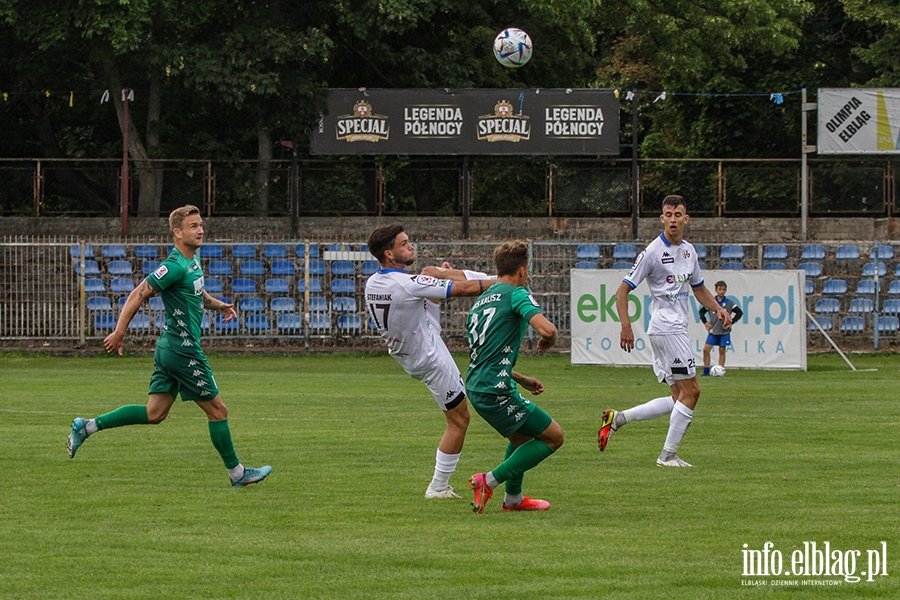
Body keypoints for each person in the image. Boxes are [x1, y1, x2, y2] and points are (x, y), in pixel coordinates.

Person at [66, 205, 272, 488]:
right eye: (193, 226)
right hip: (182, 349)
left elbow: (196, 293)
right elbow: (138, 293)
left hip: (169, 347)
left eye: (200, 225)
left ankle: (87, 426)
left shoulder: (192, 261)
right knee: (218, 410)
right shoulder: (173, 266)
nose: (200, 230)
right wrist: (119, 332)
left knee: (155, 413)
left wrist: (217, 304)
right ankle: (237, 473)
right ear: (177, 232)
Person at [598, 195, 731, 467]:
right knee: (692, 392)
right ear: (662, 219)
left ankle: (619, 418)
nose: (673, 219)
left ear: (686, 218)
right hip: (667, 328)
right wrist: (626, 325)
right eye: (668, 214)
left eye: (677, 214)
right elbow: (622, 290)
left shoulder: (689, 251)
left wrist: (718, 308)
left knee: (678, 397)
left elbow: (698, 288)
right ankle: (667, 455)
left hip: (672, 329)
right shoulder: (652, 252)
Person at [365, 224, 488, 499]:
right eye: (404, 243)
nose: (411, 246)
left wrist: (438, 280)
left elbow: (418, 295)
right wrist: (505, 281)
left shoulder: (374, 282)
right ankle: (439, 486)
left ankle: (440, 486)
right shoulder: (408, 284)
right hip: (429, 358)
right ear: (389, 253)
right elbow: (466, 289)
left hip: (412, 344)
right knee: (460, 420)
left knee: (433, 272)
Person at [465, 240, 563, 513]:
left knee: (521, 439)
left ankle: (514, 500)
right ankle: (489, 481)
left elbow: (487, 354)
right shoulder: (517, 294)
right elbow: (547, 330)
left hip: (478, 384)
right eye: (527, 270)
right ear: (521, 270)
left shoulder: (480, 303)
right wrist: (550, 340)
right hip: (495, 390)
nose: (528, 276)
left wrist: (519, 377)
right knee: (554, 437)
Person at [699, 280, 743, 375]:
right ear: (716, 290)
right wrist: (705, 322)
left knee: (722, 350)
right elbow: (702, 312)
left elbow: (739, 312)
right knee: (706, 350)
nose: (722, 291)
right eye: (720, 289)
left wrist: (732, 322)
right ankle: (706, 371)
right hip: (713, 330)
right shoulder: (712, 302)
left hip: (724, 331)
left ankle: (720, 370)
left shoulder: (729, 303)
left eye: (724, 289)